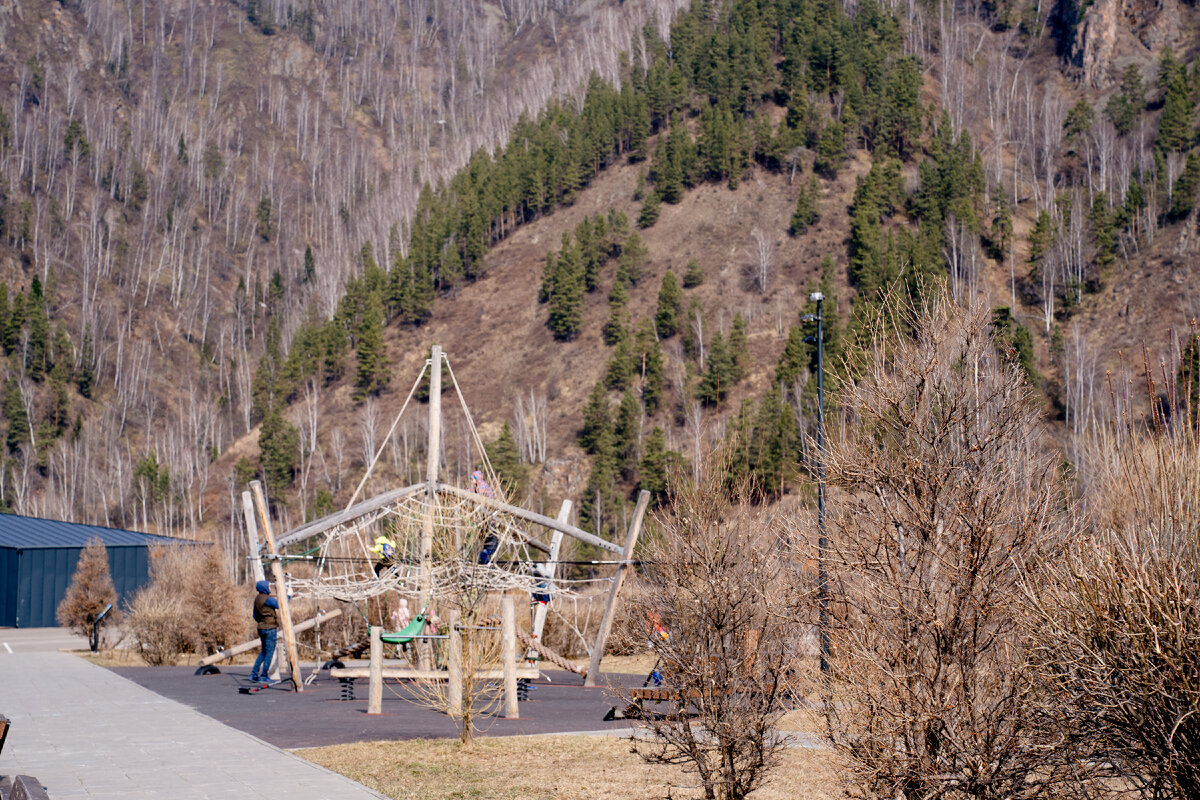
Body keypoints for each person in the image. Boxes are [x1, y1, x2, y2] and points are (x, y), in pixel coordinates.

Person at [250, 580, 280, 684]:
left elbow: (254, 615)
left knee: (263, 652)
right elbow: (280, 604)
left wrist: (261, 622)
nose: (270, 588)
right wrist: (288, 595)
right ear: (265, 588)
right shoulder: (267, 599)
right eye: (269, 586)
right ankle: (264, 675)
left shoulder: (257, 599)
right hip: (270, 628)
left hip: (261, 628)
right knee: (269, 653)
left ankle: (253, 674)